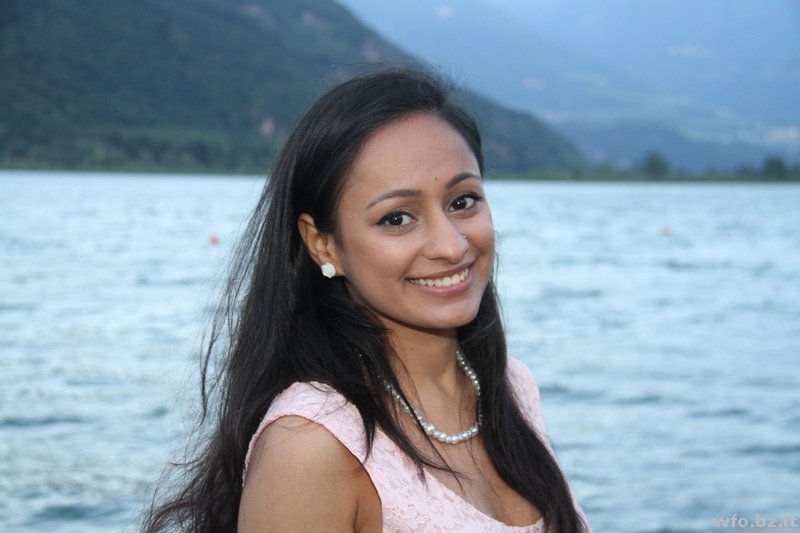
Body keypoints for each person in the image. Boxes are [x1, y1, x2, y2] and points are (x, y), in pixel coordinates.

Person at [143, 67, 589, 532]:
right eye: (397, 218)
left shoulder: (512, 387)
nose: (451, 245)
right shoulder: (313, 444)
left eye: (462, 201)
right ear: (323, 245)